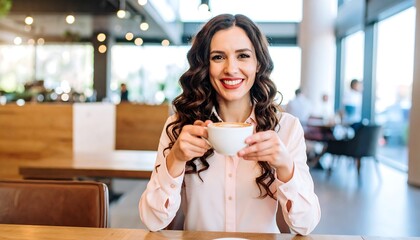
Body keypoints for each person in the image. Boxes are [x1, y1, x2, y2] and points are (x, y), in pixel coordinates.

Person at [138, 14, 320, 235]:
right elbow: (152, 220)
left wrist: (285, 166)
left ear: (258, 63)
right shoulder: (180, 126)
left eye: (243, 56)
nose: (231, 69)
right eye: (218, 57)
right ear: (204, 65)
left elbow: (306, 224)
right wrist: (175, 159)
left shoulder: (286, 128)